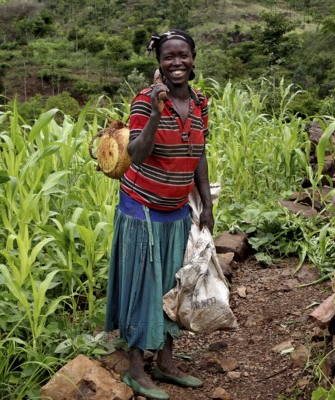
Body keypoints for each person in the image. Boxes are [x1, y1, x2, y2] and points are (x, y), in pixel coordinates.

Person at [105, 29, 213, 400]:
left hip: (177, 211)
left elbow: (198, 153)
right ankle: (136, 369)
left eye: (183, 55)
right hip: (143, 210)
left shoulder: (200, 104)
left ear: (193, 58)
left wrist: (207, 205)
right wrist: (155, 110)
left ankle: (166, 363)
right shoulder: (143, 101)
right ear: (159, 63)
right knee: (143, 287)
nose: (176, 62)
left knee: (174, 286)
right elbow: (135, 151)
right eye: (169, 57)